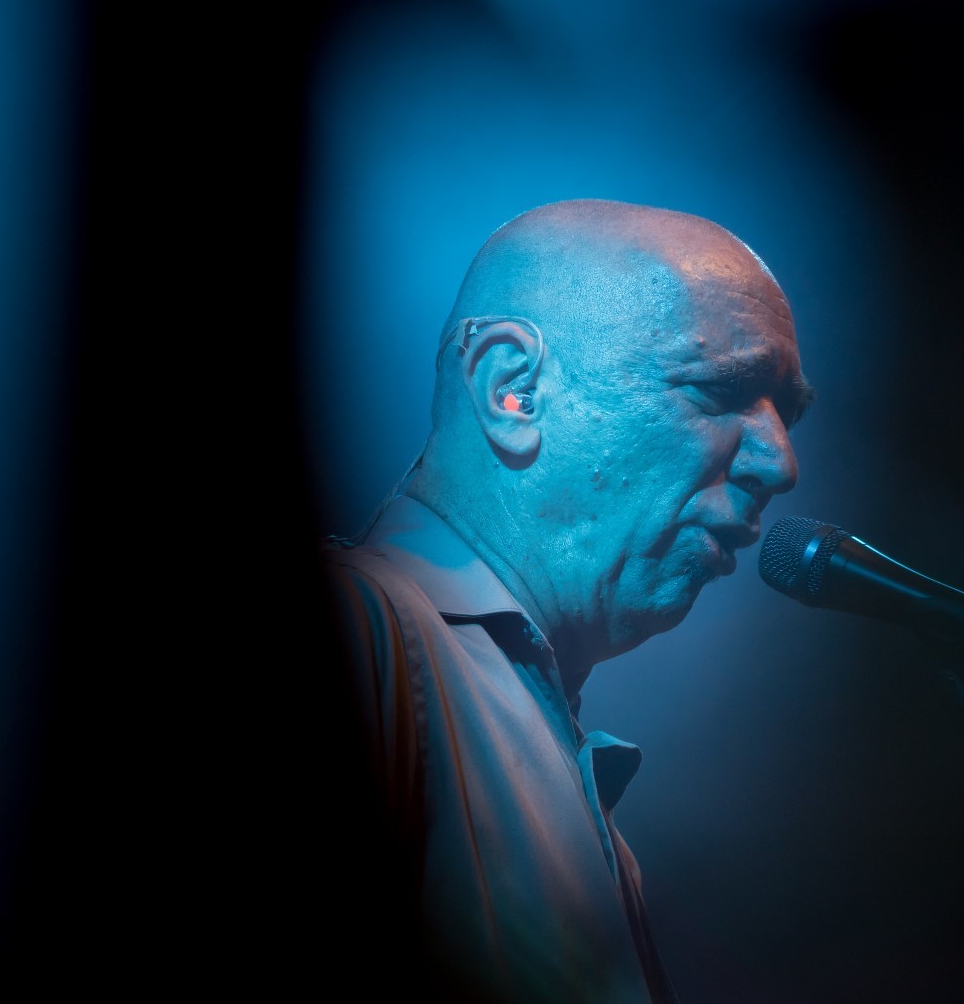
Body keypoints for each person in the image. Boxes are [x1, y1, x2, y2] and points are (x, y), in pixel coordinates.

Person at [319, 198, 815, 1003]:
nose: (780, 463)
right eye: (719, 391)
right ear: (512, 389)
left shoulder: (543, 745)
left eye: (785, 414)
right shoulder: (364, 631)